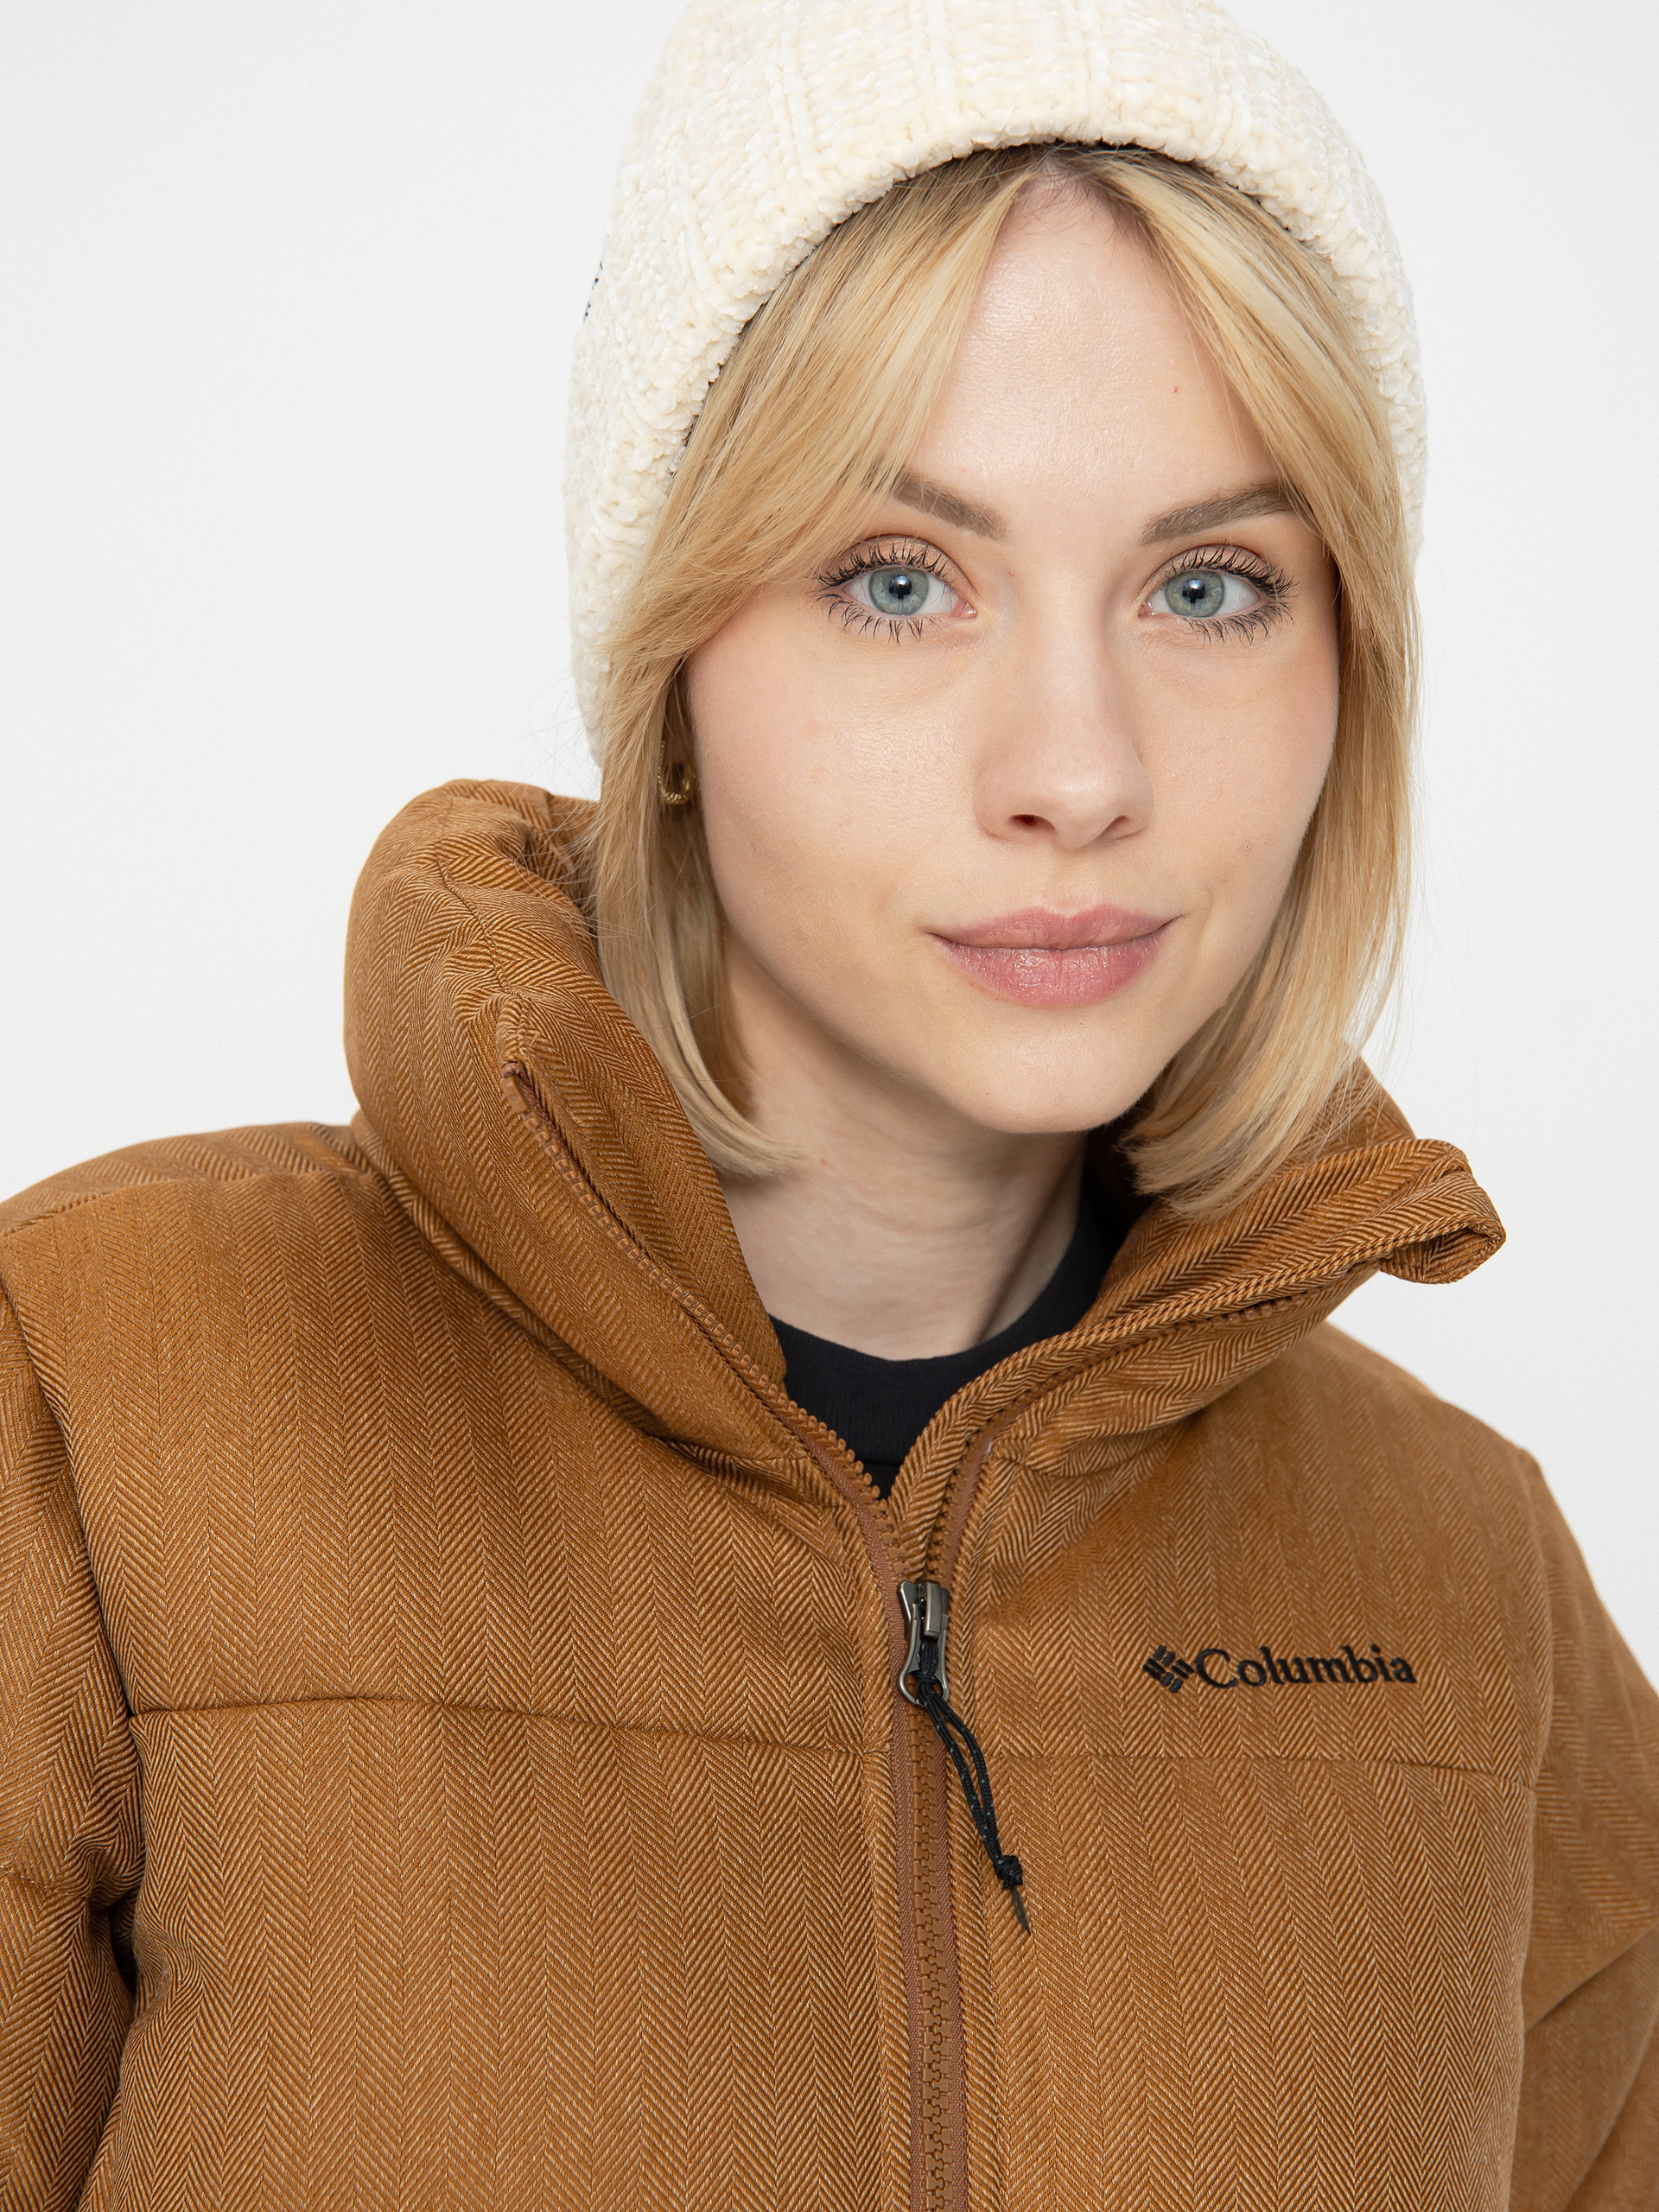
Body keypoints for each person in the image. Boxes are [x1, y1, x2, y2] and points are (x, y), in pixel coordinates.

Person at [3, 0, 1656, 2203]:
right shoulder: (96, 1402)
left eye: (1211, 586)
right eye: (899, 579)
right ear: (671, 660)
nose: (1077, 768)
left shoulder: (1472, 1584)